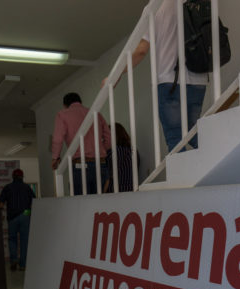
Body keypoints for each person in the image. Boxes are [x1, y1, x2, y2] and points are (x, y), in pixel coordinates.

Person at [105, 0, 208, 152]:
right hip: (199, 79)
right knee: (194, 132)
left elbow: (141, 50)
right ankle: (214, 155)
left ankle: (195, 166)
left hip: (170, 80)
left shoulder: (155, 7)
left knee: (175, 139)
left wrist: (117, 73)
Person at [51, 92, 112, 195]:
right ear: (80, 102)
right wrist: (101, 150)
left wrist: (55, 158)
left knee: (81, 201)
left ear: (65, 105)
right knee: (98, 201)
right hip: (100, 163)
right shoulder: (96, 114)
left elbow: (58, 139)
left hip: (80, 164)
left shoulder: (63, 114)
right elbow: (109, 137)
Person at [0, 168, 35, 271]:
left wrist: (0, 213)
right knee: (24, 241)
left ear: (13, 177)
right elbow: (34, 201)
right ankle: (23, 265)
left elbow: (1, 203)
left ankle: (14, 260)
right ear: (22, 177)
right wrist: (28, 213)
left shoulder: (7, 187)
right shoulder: (27, 187)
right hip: (25, 216)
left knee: (12, 239)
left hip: (12, 217)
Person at [106, 123, 139, 192]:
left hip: (116, 191)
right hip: (131, 189)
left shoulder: (115, 151)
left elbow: (106, 173)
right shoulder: (133, 151)